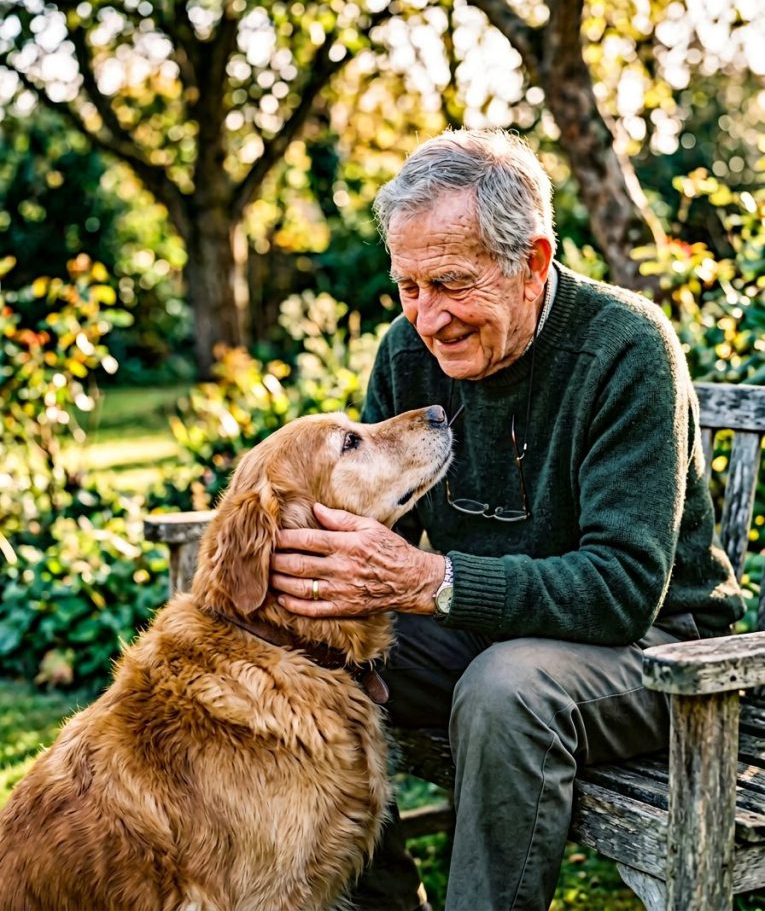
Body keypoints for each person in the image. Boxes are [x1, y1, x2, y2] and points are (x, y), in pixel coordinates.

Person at [270, 128, 744, 911]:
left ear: (530, 262)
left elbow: (622, 589)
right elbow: (380, 539)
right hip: (486, 630)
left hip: (658, 654)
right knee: (309, 647)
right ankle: (384, 903)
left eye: (452, 284)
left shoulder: (624, 346)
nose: (428, 319)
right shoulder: (407, 352)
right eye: (408, 288)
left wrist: (432, 580)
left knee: (506, 688)